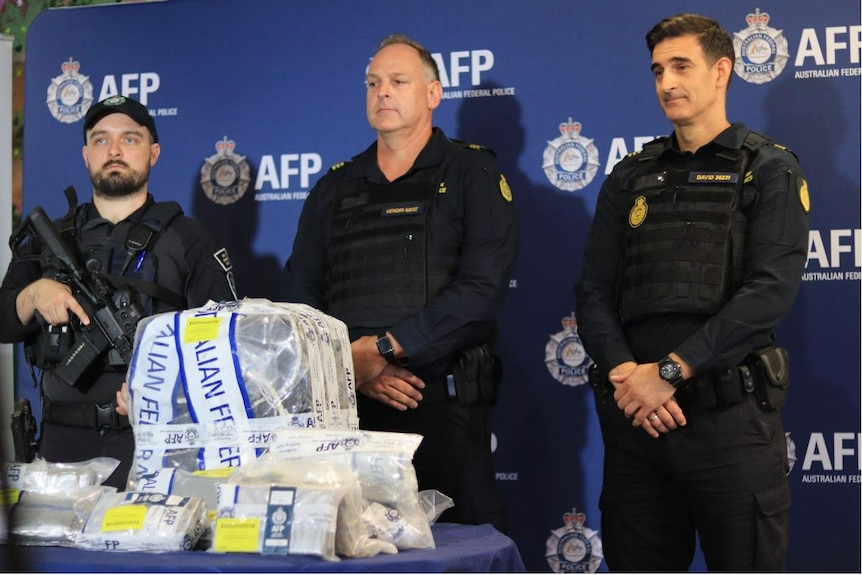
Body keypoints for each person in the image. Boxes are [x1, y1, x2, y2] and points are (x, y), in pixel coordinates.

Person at [574, 13, 809, 572]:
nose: (667, 83)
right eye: (658, 70)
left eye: (682, 66)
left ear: (722, 70)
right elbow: (593, 291)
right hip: (638, 429)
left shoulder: (769, 169)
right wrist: (630, 377)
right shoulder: (630, 176)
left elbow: (769, 292)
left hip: (728, 425)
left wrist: (671, 372)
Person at [281, 34, 518, 532]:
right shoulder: (333, 187)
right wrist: (352, 364)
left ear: (433, 95)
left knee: (461, 552)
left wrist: (382, 351)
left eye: (397, 81)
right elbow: (298, 298)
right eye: (373, 83)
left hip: (440, 409)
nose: (382, 92)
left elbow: (482, 289)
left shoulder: (472, 171)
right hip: (345, 415)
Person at [0, 95, 238, 489]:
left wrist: (167, 389)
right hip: (60, 449)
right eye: (100, 140)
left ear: (154, 152)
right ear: (85, 154)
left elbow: (226, 347)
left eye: (130, 139)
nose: (113, 150)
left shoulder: (189, 239)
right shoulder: (48, 239)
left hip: (152, 445)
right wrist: (33, 295)